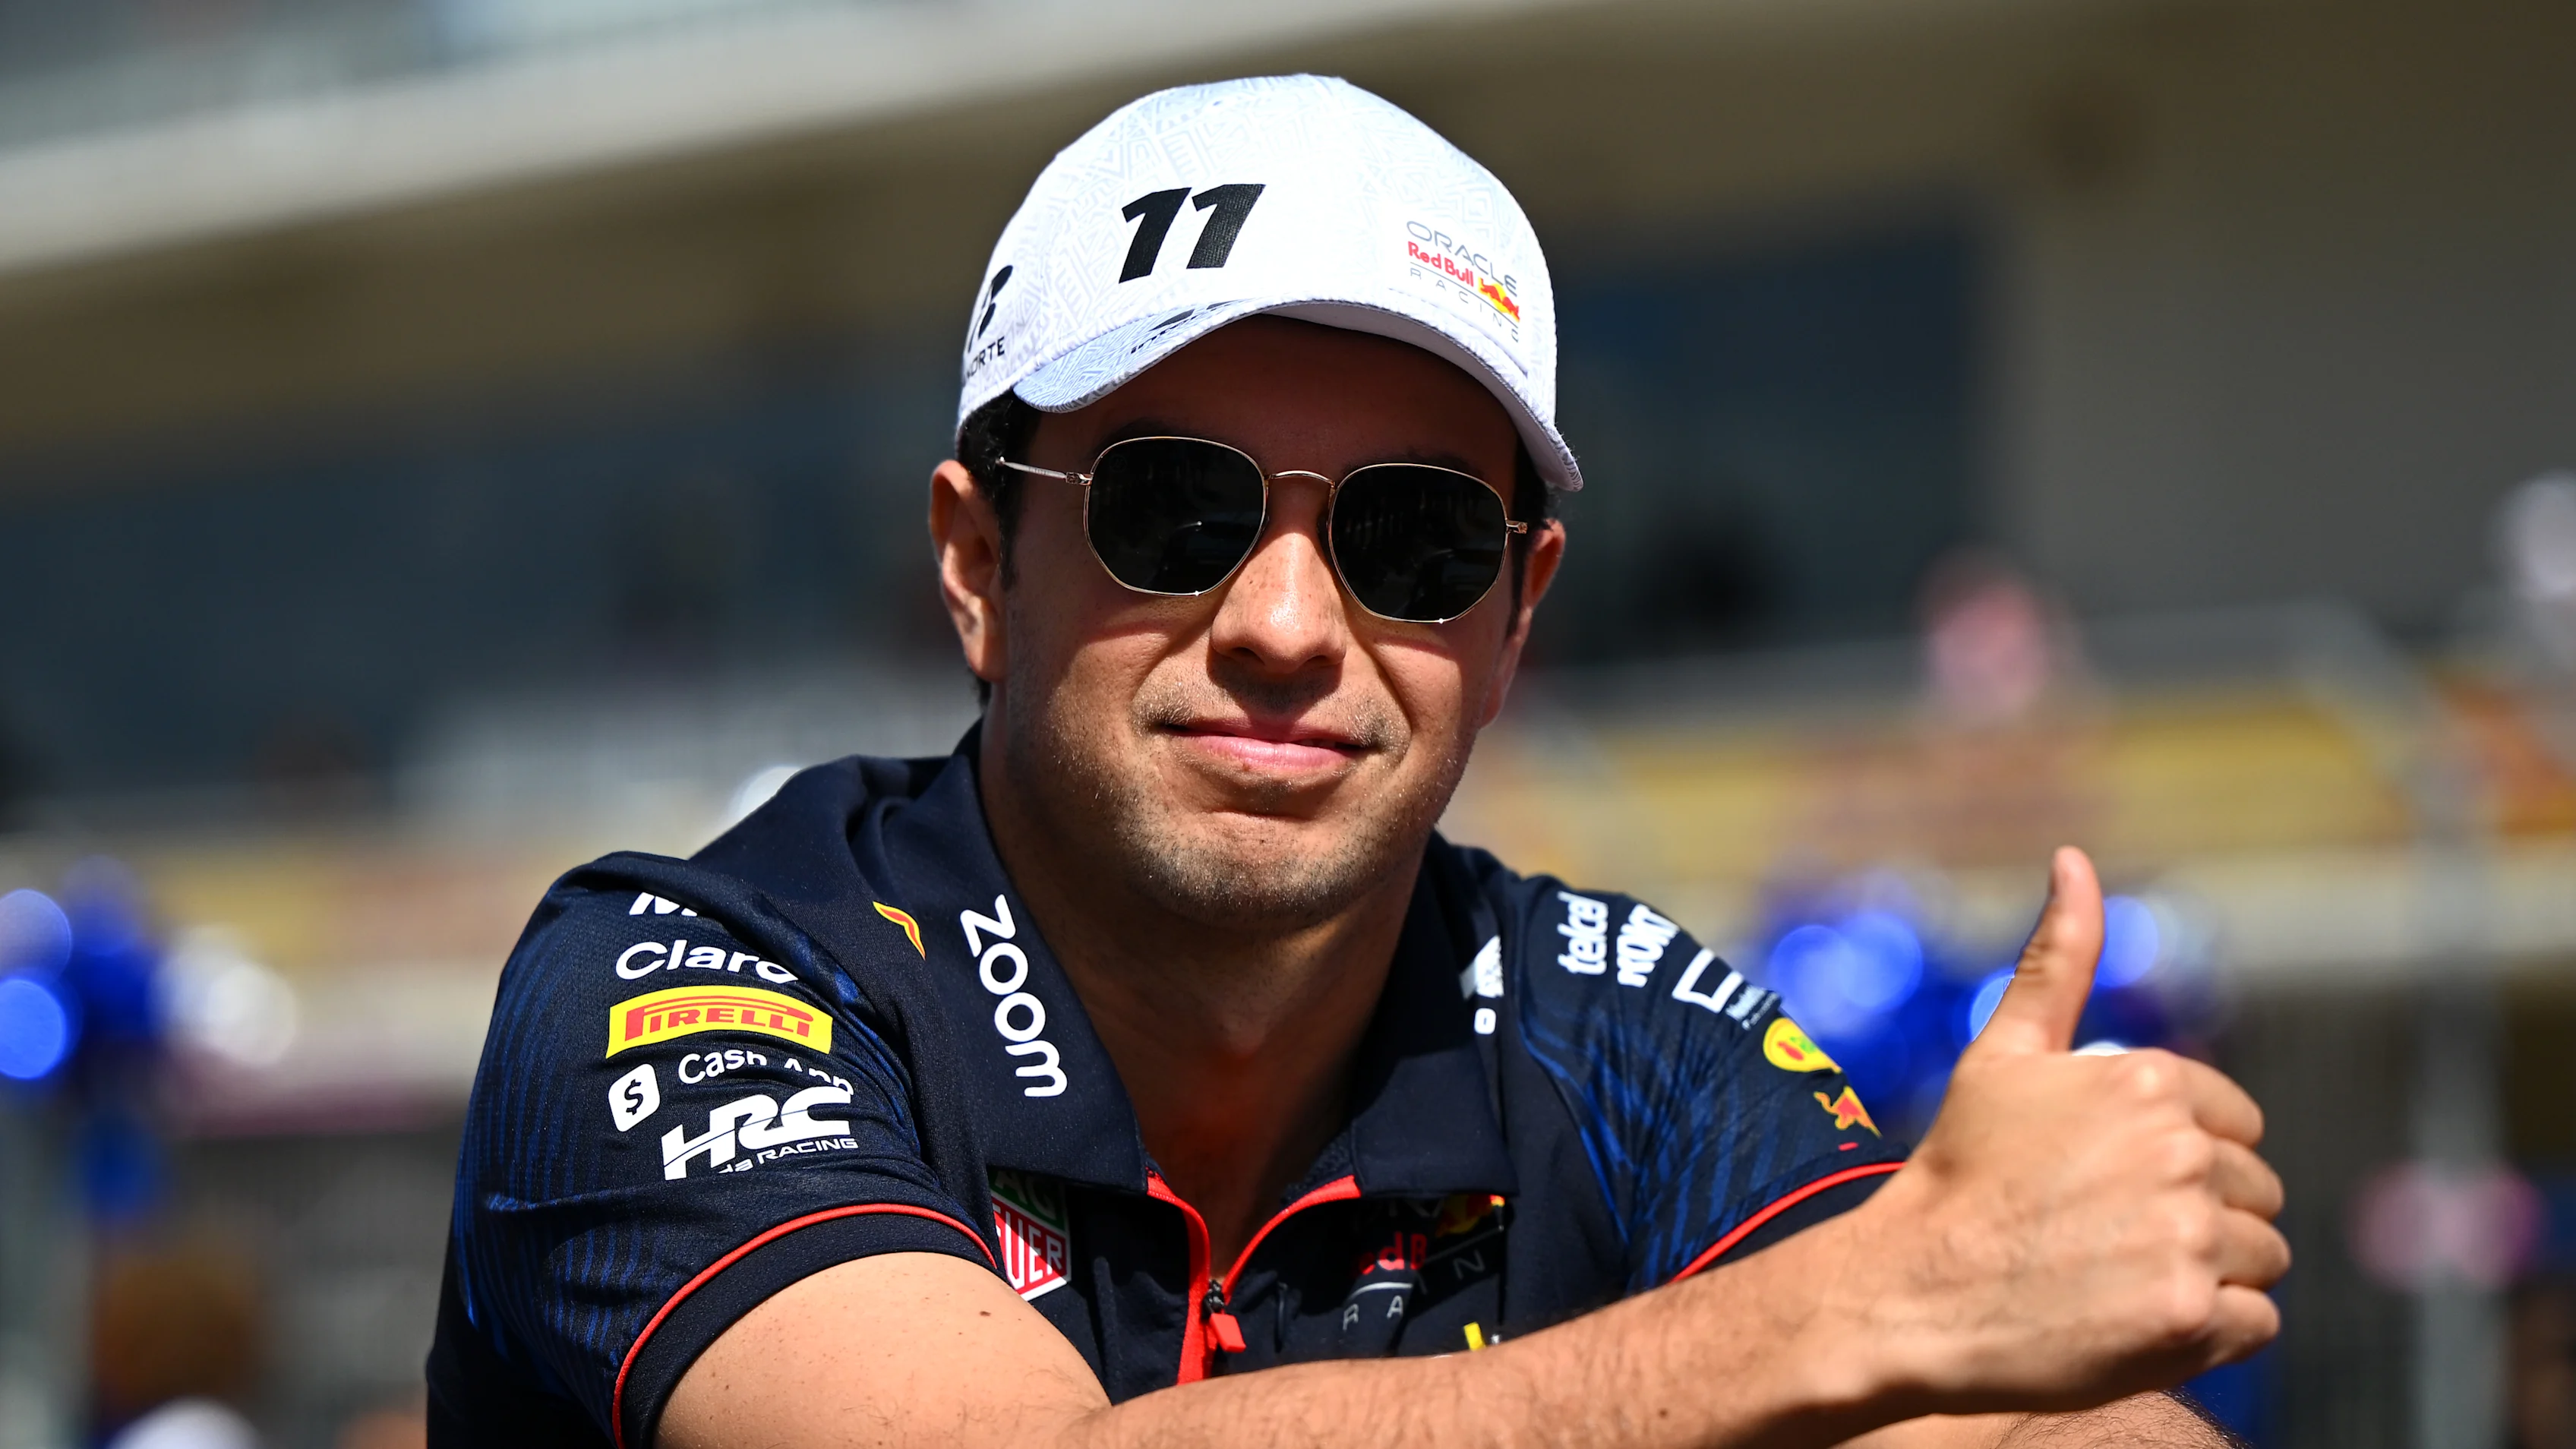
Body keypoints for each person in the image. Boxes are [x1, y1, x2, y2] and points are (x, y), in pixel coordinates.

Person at [426, 75, 2287, 1448]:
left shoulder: (1605, 1020)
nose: (1292, 626)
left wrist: (2049, 1287)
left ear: (1513, 619)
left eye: (1410, 541)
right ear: (978, 564)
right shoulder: (690, 977)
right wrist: (1872, 1313)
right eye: (1173, 508)